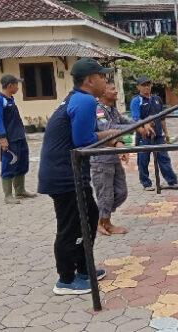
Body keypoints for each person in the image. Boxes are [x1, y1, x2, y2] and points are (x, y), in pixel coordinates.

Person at [38, 58, 120, 295]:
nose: (105, 79)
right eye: (102, 76)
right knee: (70, 226)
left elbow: (84, 136)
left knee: (89, 215)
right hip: (64, 176)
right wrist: (112, 134)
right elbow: (83, 141)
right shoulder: (84, 100)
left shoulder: (78, 98)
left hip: (68, 173)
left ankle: (85, 270)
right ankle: (66, 279)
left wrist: (110, 134)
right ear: (89, 80)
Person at [91, 81, 154, 235]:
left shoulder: (112, 109)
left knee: (121, 192)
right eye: (112, 89)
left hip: (113, 156)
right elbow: (109, 129)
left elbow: (126, 121)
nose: (116, 91)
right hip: (101, 159)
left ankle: (100, 217)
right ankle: (103, 222)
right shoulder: (99, 110)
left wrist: (141, 124)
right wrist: (137, 128)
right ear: (104, 92)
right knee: (105, 193)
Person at [0, 75, 35, 204]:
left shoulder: (11, 99)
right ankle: (8, 195)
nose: (18, 87)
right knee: (9, 164)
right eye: (16, 85)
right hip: (10, 139)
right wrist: (2, 138)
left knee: (21, 163)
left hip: (19, 137)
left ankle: (20, 190)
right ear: (10, 86)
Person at [130, 76, 178, 191]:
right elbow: (135, 119)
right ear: (138, 87)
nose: (147, 87)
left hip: (158, 136)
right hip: (144, 137)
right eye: (144, 85)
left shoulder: (156, 99)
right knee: (143, 160)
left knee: (164, 158)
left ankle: (172, 181)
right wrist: (144, 124)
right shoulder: (136, 101)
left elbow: (162, 119)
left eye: (148, 84)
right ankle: (146, 183)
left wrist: (166, 134)